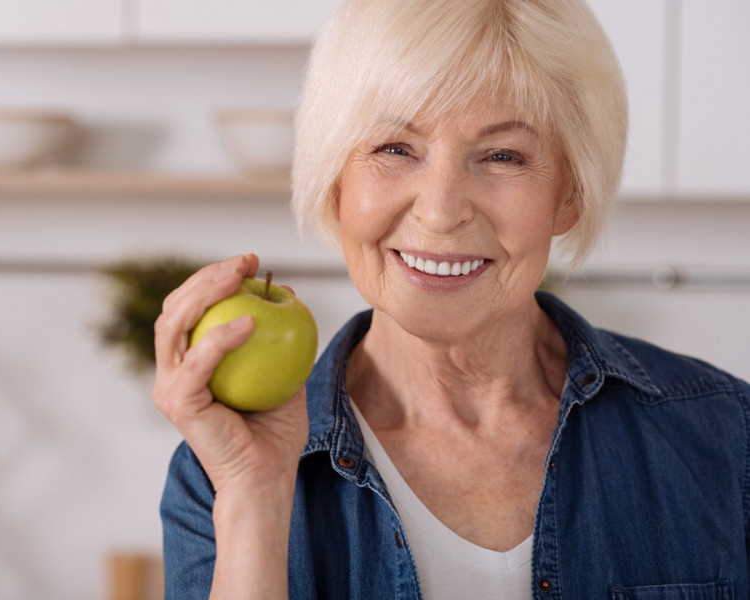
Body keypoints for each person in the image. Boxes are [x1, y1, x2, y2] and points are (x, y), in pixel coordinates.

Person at [152, 0, 750, 598]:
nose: (440, 211)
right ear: (336, 180)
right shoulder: (219, 476)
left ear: (569, 193)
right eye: (394, 148)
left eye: (502, 156)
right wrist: (254, 498)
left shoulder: (727, 437)